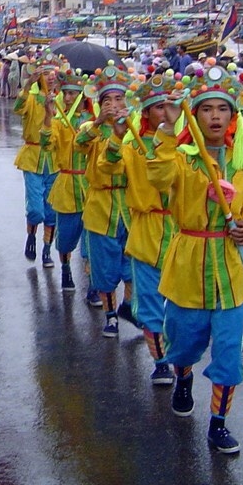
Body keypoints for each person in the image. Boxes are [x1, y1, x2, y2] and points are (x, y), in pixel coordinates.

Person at [149, 64, 243, 454]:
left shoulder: (242, 159)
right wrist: (166, 131)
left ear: (234, 116)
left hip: (230, 267)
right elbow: (158, 179)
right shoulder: (180, 157)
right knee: (182, 340)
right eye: (207, 109)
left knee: (229, 351)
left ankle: (218, 423)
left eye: (223, 109)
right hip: (188, 262)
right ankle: (183, 377)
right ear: (194, 115)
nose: (215, 116)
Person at [99, 72, 179, 385]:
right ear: (145, 113)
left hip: (178, 228)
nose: (165, 112)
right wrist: (118, 136)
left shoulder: (183, 146)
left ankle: (180, 363)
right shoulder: (131, 145)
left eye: (169, 106)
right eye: (159, 107)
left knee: (181, 305)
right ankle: (160, 361)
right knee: (148, 300)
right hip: (146, 228)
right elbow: (107, 167)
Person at [76, 65, 134, 338]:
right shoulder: (92, 127)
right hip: (100, 205)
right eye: (107, 100)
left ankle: (128, 306)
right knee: (104, 266)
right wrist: (99, 123)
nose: (114, 105)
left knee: (133, 263)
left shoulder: (135, 129)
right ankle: (110, 316)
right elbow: (79, 144)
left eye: (119, 99)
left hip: (131, 203)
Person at [44, 69, 91, 292]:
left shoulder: (94, 121)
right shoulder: (60, 122)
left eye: (73, 93)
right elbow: (46, 143)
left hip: (92, 187)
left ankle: (93, 285)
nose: (69, 97)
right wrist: (47, 114)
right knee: (66, 236)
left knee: (93, 241)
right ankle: (65, 268)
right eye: (66, 93)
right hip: (68, 184)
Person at [13, 54, 61, 262]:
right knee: (35, 208)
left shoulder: (62, 101)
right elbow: (17, 108)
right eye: (46, 74)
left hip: (55, 160)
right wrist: (26, 87)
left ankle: (47, 249)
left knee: (52, 211)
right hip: (33, 157)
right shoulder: (31, 99)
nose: (50, 78)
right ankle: (31, 235)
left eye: (54, 74)